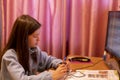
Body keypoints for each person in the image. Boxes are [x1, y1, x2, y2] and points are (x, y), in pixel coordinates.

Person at [0, 15, 68, 80]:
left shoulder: (33, 50)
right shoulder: (9, 57)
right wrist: (51, 76)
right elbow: (21, 79)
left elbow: (48, 60)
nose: (38, 39)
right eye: (35, 36)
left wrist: (61, 64)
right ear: (24, 37)